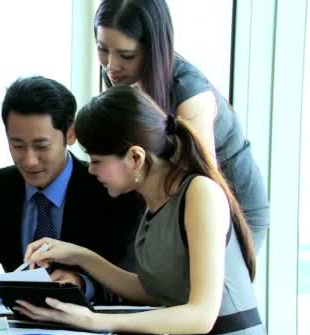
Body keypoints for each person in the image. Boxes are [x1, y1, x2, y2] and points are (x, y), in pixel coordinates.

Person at [16, 86, 267, 335]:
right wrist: (78, 255)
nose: (91, 170)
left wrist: (92, 320)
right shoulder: (155, 200)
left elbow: (202, 315)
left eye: (97, 160)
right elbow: (153, 290)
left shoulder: (200, 193)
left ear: (135, 157)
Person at [93, 0, 269, 251]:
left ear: (153, 48)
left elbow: (204, 187)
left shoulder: (189, 94)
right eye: (102, 49)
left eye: (126, 55)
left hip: (230, 205)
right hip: (170, 193)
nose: (111, 65)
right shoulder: (119, 75)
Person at [0, 77, 144, 303]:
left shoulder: (109, 189)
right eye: (17, 145)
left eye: (41, 146)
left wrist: (81, 283)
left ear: (70, 134)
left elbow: (131, 284)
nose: (29, 160)